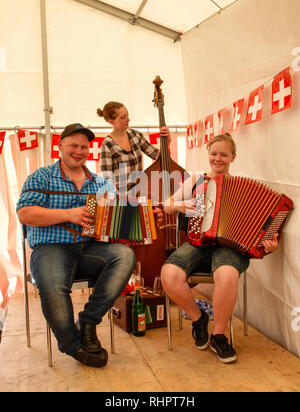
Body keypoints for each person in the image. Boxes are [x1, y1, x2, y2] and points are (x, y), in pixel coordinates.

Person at [16, 123, 137, 368]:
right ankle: (73, 346)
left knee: (125, 255)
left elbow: (116, 219)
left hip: (89, 249)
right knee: (51, 286)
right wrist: (68, 214)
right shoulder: (41, 176)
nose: (79, 151)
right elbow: (25, 213)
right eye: (73, 145)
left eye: (84, 146)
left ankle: (89, 322)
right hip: (51, 248)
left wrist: (141, 219)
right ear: (60, 145)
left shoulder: (101, 183)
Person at [161, 133, 279, 363]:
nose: (218, 158)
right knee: (169, 274)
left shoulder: (242, 188)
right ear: (208, 154)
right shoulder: (196, 180)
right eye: (214, 153)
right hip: (198, 243)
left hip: (229, 247)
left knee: (226, 275)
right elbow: (167, 206)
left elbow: (260, 226)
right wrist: (181, 205)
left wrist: (269, 245)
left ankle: (219, 335)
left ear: (233, 157)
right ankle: (198, 319)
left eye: (224, 154)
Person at [97, 101, 171, 193]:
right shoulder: (107, 144)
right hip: (121, 196)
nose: (128, 119)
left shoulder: (135, 135)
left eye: (127, 115)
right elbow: (106, 178)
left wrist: (167, 142)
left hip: (140, 192)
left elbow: (158, 156)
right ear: (111, 122)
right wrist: (119, 198)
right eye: (123, 117)